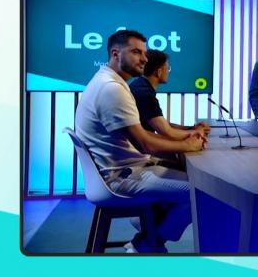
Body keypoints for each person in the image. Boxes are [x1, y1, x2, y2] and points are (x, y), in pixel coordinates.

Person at [74, 29, 206, 253]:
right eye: (136, 52)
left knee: (187, 177)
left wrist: (187, 140)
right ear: (115, 54)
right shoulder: (111, 88)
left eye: (144, 53)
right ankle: (147, 242)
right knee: (202, 193)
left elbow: (147, 136)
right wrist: (188, 145)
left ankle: (147, 235)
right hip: (118, 178)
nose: (144, 58)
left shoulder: (110, 81)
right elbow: (146, 143)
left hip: (120, 170)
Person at [129, 49, 210, 141]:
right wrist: (197, 132)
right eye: (167, 68)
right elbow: (167, 132)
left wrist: (191, 128)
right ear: (158, 72)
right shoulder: (145, 94)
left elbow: (162, 124)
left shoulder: (140, 85)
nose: (168, 71)